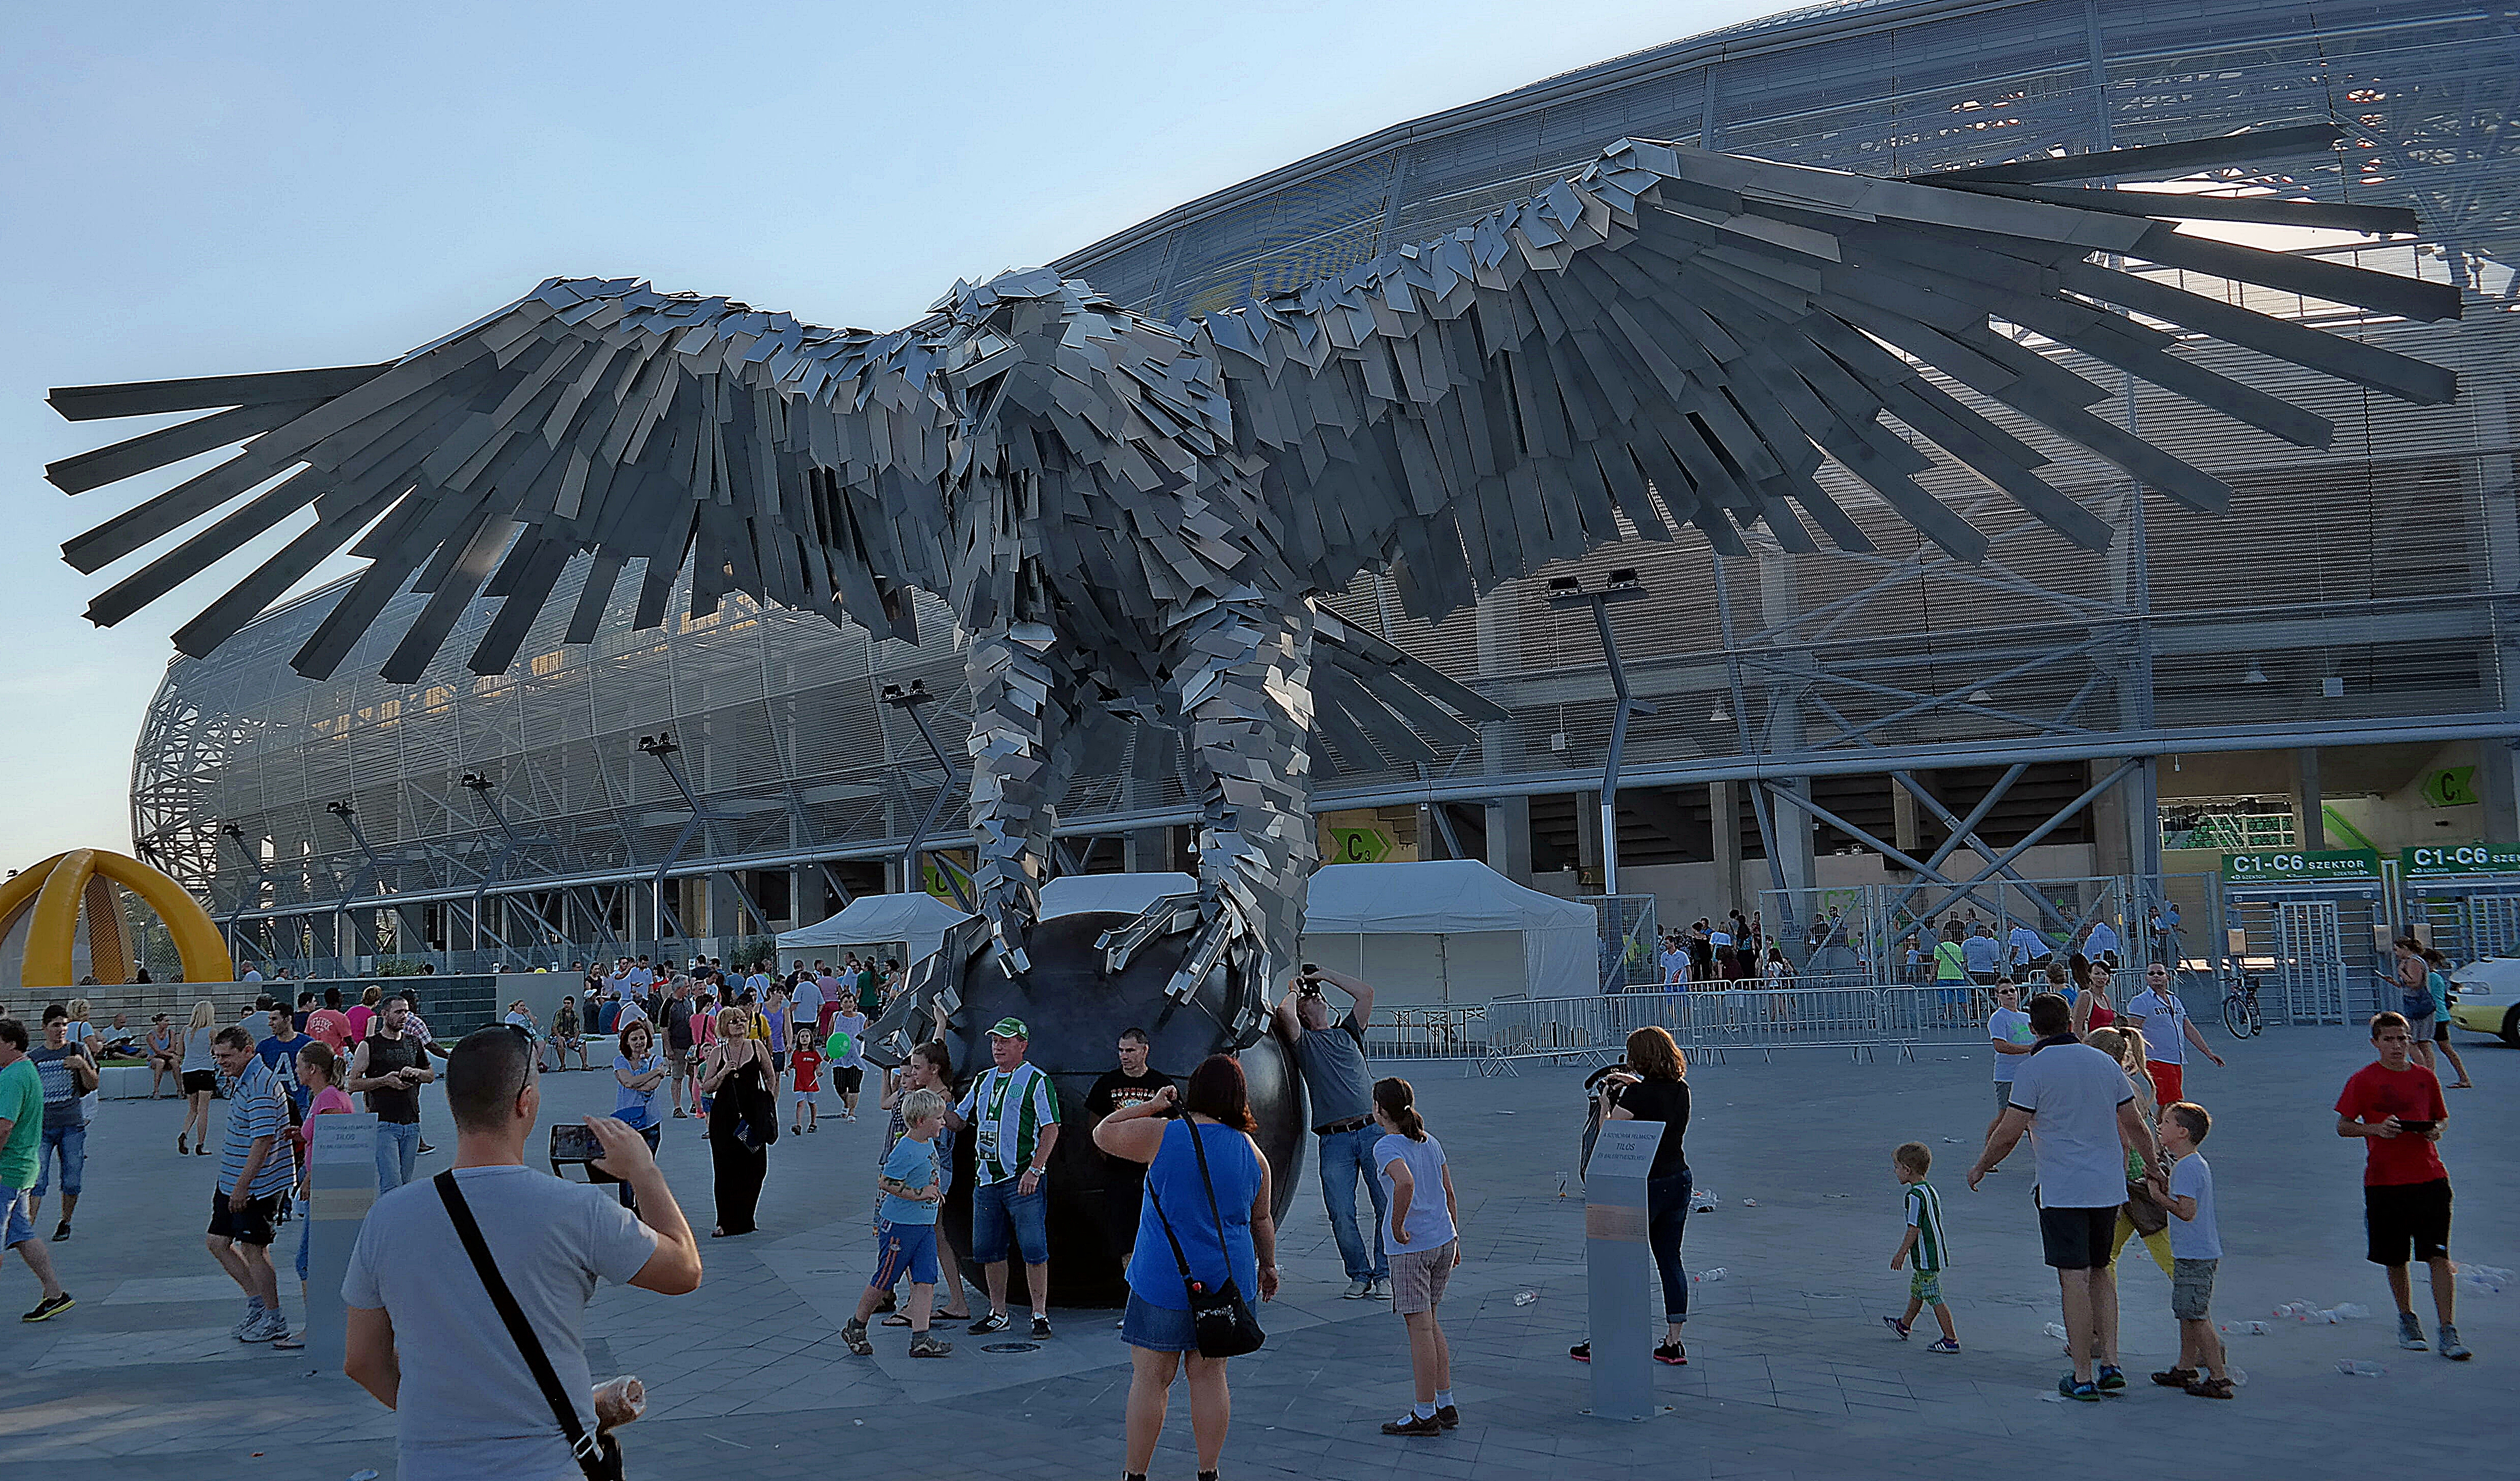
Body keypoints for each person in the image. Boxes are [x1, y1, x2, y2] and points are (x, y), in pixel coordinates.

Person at [342, 1025, 704, 1479]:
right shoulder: (577, 1210)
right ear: (525, 1102)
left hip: (431, 1464)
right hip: (547, 1466)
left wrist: (450, 1419)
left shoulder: (387, 1218)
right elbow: (685, 1270)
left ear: (454, 1104)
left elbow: (361, 1360)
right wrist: (644, 1172)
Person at [1967, 991, 2159, 1401]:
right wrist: (2155, 1165)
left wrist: (1982, 1164)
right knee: (2102, 1271)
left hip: (2062, 1189)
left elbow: (2009, 1131)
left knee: (2073, 1278)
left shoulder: (2034, 1070)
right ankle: (2111, 1363)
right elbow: (2136, 1123)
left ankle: (2082, 1374)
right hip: (2107, 1187)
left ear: (2034, 1029)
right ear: (2071, 1024)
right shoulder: (2105, 1064)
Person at [1094, 1056, 1279, 1481]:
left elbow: (1104, 1133)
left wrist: (1153, 1104)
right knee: (1211, 1377)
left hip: (1163, 1281)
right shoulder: (1254, 1154)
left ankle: (1135, 1474)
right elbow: (1261, 1220)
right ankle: (1208, 1471)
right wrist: (1267, 1265)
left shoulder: (1163, 1136)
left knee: (1151, 1380)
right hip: (1228, 1283)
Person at [2335, 1010, 2469, 1360]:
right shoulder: (2363, 1080)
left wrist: (2436, 1130)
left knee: (2438, 1255)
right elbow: (2343, 1125)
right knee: (2396, 1258)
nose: (2397, 1046)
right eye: (2389, 1040)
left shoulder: (2426, 1078)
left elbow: (2441, 1118)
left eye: (2403, 1038)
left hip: (2430, 1177)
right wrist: (2376, 1129)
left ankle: (2448, 1329)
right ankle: (2407, 1318)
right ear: (2376, 1044)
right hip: (2384, 1181)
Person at [1570, 1025, 1693, 1366]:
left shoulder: (1637, 1097)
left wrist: (1608, 1101)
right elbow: (1660, 1104)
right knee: (1671, 1259)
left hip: (1642, 1183)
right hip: (1678, 1177)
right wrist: (1636, 1088)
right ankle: (1674, 1342)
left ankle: (1605, 1338)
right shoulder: (1681, 1090)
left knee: (1618, 1262)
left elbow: (1611, 1133)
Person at [1271, 964, 1388, 1300]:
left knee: (1384, 1204)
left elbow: (1366, 993)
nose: (1316, 998)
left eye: (1318, 996)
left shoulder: (1349, 1032)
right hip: (1334, 1139)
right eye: (1311, 999)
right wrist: (1296, 988)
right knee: (1340, 1211)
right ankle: (1359, 1273)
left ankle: (1383, 1273)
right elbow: (1283, 1012)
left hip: (1371, 1131)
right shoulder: (1303, 1043)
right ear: (1304, 1015)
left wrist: (1324, 975)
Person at [947, 1016, 1061, 1337]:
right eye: (995, 1040)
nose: (998, 1046)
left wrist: (1035, 1170)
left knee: (1034, 1249)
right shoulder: (982, 1080)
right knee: (989, 1250)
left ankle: (1040, 1313)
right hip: (986, 1181)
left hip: (1022, 1181)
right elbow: (959, 1121)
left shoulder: (1037, 1080)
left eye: (1005, 1041)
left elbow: (1051, 1128)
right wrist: (935, 1103)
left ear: (1022, 1046)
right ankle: (999, 1312)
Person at [1371, 1076, 1461, 1436]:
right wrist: (1456, 1236)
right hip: (1443, 1239)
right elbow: (1449, 1192)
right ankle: (1446, 1400)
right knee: (1432, 1322)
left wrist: (1396, 1225)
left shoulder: (1386, 1146)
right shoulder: (1431, 1142)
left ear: (1380, 1110)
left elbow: (1404, 1182)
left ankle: (1424, 1412)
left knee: (1420, 1328)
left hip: (1412, 1247)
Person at [840, 1087, 955, 1360]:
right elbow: (887, 1182)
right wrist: (920, 1194)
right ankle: (857, 1325)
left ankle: (921, 1337)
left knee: (926, 1280)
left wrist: (933, 1194)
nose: (943, 1121)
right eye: (938, 1118)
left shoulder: (927, 1143)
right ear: (920, 1122)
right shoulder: (905, 1148)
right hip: (901, 1227)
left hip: (924, 1225)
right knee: (885, 1278)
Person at [207, 1025, 296, 1343]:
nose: (221, 1062)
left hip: (256, 1185)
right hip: (232, 1179)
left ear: (248, 1051)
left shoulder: (259, 1084)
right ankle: (257, 1302)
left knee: (255, 1249)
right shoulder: (242, 1079)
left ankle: (274, 1317)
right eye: (217, 1056)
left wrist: (243, 1187)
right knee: (217, 1242)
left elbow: (263, 1140)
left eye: (227, 1055)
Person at [2145, 1101, 2230, 1398]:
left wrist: (2158, 1197)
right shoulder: (2188, 1165)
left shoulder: (2188, 1167)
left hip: (2195, 1253)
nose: (2160, 1126)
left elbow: (2187, 1211)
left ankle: (2218, 1377)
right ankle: (2185, 1367)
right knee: (2186, 1310)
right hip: (2193, 1251)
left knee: (2195, 1314)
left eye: (2165, 1123)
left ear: (2181, 1132)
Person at [274, 1040, 355, 1351]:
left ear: (313, 1069)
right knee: (322, 1259)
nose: (296, 1071)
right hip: (330, 1184)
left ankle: (317, 1327)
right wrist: (303, 1134)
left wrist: (311, 1177)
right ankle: (328, 1324)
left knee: (307, 1261)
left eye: (299, 1065)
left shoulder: (330, 1098)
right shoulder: (324, 1097)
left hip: (327, 1186)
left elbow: (334, 1145)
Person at [2084, 1027, 2176, 1279]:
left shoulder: (2110, 1087)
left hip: (2130, 1180)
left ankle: (2195, 1309)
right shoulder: (2128, 1083)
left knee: (2164, 1251)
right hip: (2137, 1177)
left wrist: (2116, 1184)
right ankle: (2102, 1310)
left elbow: (2123, 1141)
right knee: (2104, 1256)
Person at [0, 1019, 73, 1322]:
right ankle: (55, 1293)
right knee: (22, 1234)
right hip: (24, 1169)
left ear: (11, 1044)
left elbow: (3, 1127)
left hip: (7, 1170)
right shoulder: (27, 1068)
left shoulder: (12, 1077)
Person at [1086, 1027, 1176, 1267]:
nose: (1124, 1056)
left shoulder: (1161, 1084)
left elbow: (1176, 1126)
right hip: (1119, 1174)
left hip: (1152, 1173)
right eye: (1121, 1050)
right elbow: (1094, 1123)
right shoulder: (1108, 1084)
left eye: (1130, 1050)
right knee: (1125, 1238)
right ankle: (1131, 1288)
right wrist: (1105, 1153)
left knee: (1155, 1231)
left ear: (1145, 1051)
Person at [696, 1005, 776, 1238]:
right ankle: (725, 1222)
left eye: (742, 1020)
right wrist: (723, 1074)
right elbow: (707, 1086)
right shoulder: (717, 1053)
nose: (740, 1024)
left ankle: (746, 1218)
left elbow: (771, 1077)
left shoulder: (756, 1046)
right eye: (734, 1021)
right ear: (724, 1027)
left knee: (757, 1167)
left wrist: (767, 1104)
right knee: (725, 1170)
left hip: (752, 1117)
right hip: (725, 1119)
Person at [347, 993, 437, 1193]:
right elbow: (352, 1084)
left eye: (406, 1012)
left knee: (403, 1186)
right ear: (385, 1014)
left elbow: (431, 1075)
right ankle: (385, 1223)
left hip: (412, 1124)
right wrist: (383, 1081)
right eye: (398, 1012)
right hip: (384, 1124)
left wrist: (417, 1073)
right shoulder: (370, 1045)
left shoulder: (414, 1043)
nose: (403, 1016)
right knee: (391, 1185)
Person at [26, 1007, 98, 1243]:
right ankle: (27, 1230)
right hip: (43, 1128)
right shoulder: (34, 1058)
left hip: (72, 1125)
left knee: (72, 1179)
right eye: (56, 1025)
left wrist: (82, 1066)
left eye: (65, 1025)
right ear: (44, 1027)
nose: (61, 1030)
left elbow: (94, 1084)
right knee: (37, 1179)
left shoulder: (78, 1050)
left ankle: (65, 1221)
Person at [1882, 1141, 1959, 1352]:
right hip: (1935, 1251)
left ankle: (1950, 1339)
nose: (1895, 1172)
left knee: (1934, 1295)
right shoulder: (1929, 1190)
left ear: (1907, 1170)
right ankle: (1904, 1325)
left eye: (1897, 1168)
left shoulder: (1914, 1196)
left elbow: (1913, 1228)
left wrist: (1901, 1254)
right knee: (1918, 1290)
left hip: (1926, 1255)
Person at [2123, 962, 2223, 1105]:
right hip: (2156, 1059)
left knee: (2168, 1104)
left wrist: (2208, 1053)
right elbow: (2133, 1031)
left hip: (2176, 1059)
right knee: (2173, 1102)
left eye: (2160, 973)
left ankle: (2161, 1127)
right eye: (2151, 974)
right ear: (2146, 978)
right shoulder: (2140, 1001)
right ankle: (2164, 1128)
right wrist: (2134, 1058)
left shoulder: (2175, 1001)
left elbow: (2189, 1029)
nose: (2156, 976)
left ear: (2167, 977)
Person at [598, 1020, 670, 1211]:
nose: (639, 1042)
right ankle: (628, 1210)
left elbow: (650, 1087)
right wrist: (656, 1073)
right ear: (627, 1041)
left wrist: (637, 1080)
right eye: (634, 1039)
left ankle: (643, 1210)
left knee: (645, 1170)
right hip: (627, 1123)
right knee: (628, 1170)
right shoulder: (621, 1061)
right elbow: (629, 1082)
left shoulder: (655, 1059)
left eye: (642, 1038)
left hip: (651, 1123)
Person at [1984, 979, 2033, 1144]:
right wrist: (2029, 1048)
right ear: (1998, 996)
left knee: (2033, 1116)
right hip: (2008, 1076)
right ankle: (1988, 1152)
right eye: (2005, 992)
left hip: (2028, 1075)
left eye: (2012, 991)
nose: (2010, 995)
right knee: (2005, 1116)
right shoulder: (1998, 1018)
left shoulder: (2026, 1016)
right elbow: (2000, 1045)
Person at [2416, 948, 2473, 1089]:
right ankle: (2462, 1078)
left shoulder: (2431, 977)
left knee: (2429, 1046)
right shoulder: (2436, 976)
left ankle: (2431, 1079)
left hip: (2436, 1016)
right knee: (2442, 1048)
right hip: (2440, 1015)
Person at [256, 1003, 314, 1120]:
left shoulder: (307, 1044)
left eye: (274, 1019)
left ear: (288, 1019)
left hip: (300, 1104)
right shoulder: (264, 1047)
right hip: (272, 1105)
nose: (270, 1024)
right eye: (269, 1019)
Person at [178, 999, 221, 1156]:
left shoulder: (186, 1031)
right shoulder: (211, 1031)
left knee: (192, 1110)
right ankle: (200, 1144)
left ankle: (184, 1133)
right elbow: (216, 1051)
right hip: (205, 1070)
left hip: (188, 1071)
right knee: (203, 1110)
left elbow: (180, 1051)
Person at [826, 999, 868, 1122]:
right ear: (841, 1004)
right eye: (845, 1002)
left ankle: (852, 1112)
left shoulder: (861, 1017)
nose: (848, 1004)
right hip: (839, 1056)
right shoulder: (836, 1016)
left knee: (854, 1086)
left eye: (850, 1002)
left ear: (854, 1004)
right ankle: (847, 1103)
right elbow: (830, 1034)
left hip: (856, 1057)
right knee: (839, 1085)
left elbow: (866, 1034)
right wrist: (829, 1052)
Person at [662, 976, 699, 1119]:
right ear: (679, 988)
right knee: (678, 1077)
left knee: (693, 1075)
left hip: (690, 1045)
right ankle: (677, 1107)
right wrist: (668, 1050)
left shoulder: (687, 1002)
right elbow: (664, 1029)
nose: (689, 989)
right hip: (677, 1046)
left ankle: (695, 1103)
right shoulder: (668, 1005)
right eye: (687, 986)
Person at [2068, 952, 2117, 1035]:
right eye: (2097, 974)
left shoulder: (2106, 998)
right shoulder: (2086, 996)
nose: (2101, 977)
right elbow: (2076, 1026)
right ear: (2090, 975)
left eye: (2104, 974)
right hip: (2092, 1044)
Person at [790, 1031, 824, 1134]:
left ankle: (813, 1123)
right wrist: (788, 1068)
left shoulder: (814, 1054)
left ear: (811, 1039)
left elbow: (818, 1066)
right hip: (799, 1082)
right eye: (802, 1037)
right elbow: (793, 1064)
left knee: (811, 1103)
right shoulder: (797, 1053)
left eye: (807, 1036)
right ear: (799, 1039)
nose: (805, 1038)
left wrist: (819, 1072)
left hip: (810, 1083)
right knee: (800, 1103)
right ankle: (798, 1125)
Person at [144, 1013, 181, 1098]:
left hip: (166, 1057)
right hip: (157, 1058)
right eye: (166, 1021)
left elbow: (172, 1048)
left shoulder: (171, 1033)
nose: (168, 1023)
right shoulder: (151, 1035)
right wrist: (170, 1054)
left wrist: (165, 1053)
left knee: (174, 1062)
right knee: (160, 1062)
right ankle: (156, 1091)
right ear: (159, 1022)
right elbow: (156, 1050)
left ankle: (180, 1090)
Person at [305, 987, 351, 1054]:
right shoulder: (341, 1018)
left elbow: (307, 1037)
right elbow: (350, 1042)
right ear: (339, 999)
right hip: (333, 1057)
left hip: (314, 1056)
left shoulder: (313, 1016)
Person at [550, 996, 587, 1071]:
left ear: (572, 1005)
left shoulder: (575, 1015)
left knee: (582, 1043)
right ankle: (563, 1065)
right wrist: (559, 1036)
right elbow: (554, 1027)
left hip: (569, 1037)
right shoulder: (559, 1013)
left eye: (568, 1003)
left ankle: (585, 1065)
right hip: (558, 1036)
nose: (566, 1005)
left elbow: (577, 1030)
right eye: (565, 1003)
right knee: (560, 1043)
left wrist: (574, 1041)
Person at [1962, 922, 2001, 988]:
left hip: (1973, 971)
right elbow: (1996, 958)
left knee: (1975, 993)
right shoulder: (1990, 943)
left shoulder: (1967, 942)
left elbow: (1962, 954)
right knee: (1989, 992)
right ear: (1986, 933)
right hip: (1988, 971)